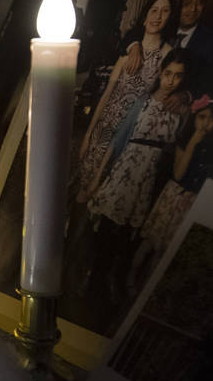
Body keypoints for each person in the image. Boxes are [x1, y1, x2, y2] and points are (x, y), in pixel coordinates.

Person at [82, 48, 191, 303]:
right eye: (167, 73)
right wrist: (98, 178)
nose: (170, 81)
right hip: (125, 170)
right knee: (105, 231)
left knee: (125, 237)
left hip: (148, 178)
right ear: (161, 72)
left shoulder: (180, 110)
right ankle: (91, 277)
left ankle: (109, 279)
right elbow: (118, 140)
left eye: (177, 76)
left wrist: (186, 102)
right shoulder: (143, 101)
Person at [75, 0, 178, 203]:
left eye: (165, 11)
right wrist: (88, 133)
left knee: (105, 193)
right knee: (82, 187)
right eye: (154, 10)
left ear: (171, 16)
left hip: (131, 132)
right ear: (145, 14)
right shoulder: (129, 49)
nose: (158, 16)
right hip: (105, 125)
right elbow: (106, 96)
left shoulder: (168, 54)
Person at [128, 94, 213, 293]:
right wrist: (192, 144)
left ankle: (145, 292)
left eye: (211, 119)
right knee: (149, 244)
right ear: (194, 118)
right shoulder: (184, 142)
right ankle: (130, 278)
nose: (205, 123)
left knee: (164, 253)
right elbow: (178, 173)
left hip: (191, 202)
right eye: (201, 117)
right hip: (173, 197)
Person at [123, 0, 213, 97]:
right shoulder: (164, 24)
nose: (193, 9)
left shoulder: (212, 40)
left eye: (200, 2)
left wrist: (187, 95)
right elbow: (135, 31)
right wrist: (134, 46)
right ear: (178, 3)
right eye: (187, 2)